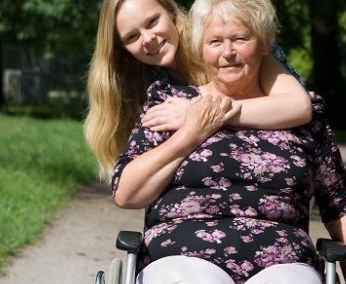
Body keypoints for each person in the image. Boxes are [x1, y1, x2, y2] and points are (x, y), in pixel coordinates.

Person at [111, 0, 346, 284]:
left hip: (284, 265)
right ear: (200, 48)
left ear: (265, 44)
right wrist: (193, 130)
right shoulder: (170, 104)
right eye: (215, 42)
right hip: (183, 258)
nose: (227, 53)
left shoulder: (302, 116)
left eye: (240, 39)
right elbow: (126, 192)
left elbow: (341, 207)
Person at [85, 0, 312, 182]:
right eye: (132, 37)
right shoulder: (147, 86)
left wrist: (199, 113)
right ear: (122, 48)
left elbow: (298, 106)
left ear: (170, 11)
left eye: (153, 22)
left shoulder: (225, 43)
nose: (148, 39)